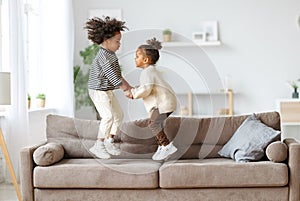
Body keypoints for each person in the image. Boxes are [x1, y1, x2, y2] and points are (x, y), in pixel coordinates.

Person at [85, 16, 132, 159]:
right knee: (108, 116)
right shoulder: (103, 56)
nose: (119, 45)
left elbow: (118, 75)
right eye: (117, 42)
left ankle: (109, 140)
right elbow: (113, 77)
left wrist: (130, 87)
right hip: (98, 91)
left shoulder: (111, 55)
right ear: (107, 41)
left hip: (107, 90)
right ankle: (98, 145)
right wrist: (126, 90)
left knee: (119, 115)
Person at [129, 38, 178, 161]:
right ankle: (162, 146)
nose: (134, 58)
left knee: (153, 123)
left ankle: (166, 145)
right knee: (157, 124)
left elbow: (146, 89)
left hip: (164, 103)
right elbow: (146, 87)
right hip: (165, 102)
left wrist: (133, 94)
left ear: (145, 60)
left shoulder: (147, 72)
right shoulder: (150, 71)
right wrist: (135, 90)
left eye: (137, 56)